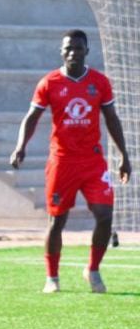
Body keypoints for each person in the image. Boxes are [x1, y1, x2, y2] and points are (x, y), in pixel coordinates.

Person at [10, 29, 131, 294]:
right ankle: (52, 277)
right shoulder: (49, 82)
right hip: (62, 162)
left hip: (93, 161)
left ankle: (93, 269)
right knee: (57, 221)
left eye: (78, 48)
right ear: (61, 52)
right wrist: (20, 146)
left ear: (87, 51)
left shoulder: (99, 82)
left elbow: (111, 118)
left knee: (105, 216)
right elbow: (32, 118)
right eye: (68, 48)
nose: (73, 52)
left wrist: (124, 155)